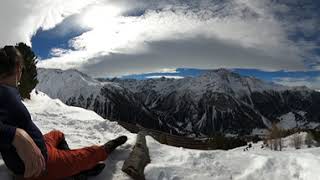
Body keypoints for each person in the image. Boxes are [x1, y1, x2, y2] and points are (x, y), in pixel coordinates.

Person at [0, 46, 128, 180]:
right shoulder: (4, 94)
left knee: (57, 134)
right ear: (18, 68)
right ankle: (84, 161)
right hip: (42, 163)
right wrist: (16, 135)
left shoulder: (7, 90)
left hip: (41, 147)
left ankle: (69, 167)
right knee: (88, 154)